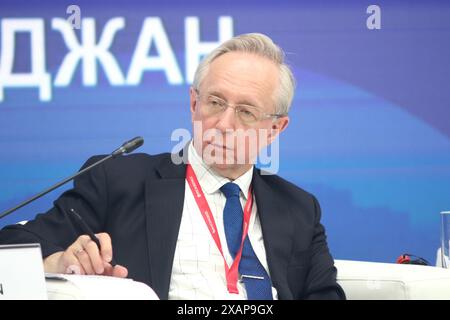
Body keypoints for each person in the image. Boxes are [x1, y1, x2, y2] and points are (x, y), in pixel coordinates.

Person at [0, 33, 345, 300]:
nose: (224, 123)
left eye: (246, 112)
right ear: (193, 103)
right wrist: (58, 264)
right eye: (214, 102)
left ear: (275, 129)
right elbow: (13, 245)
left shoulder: (299, 209)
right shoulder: (120, 181)